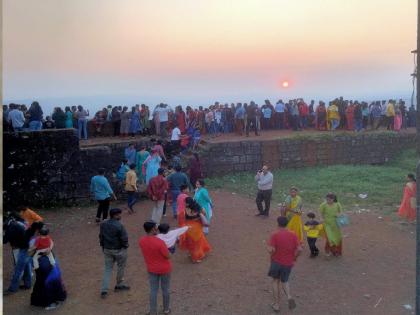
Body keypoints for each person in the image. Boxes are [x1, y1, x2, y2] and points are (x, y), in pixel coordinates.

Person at [267, 216, 301, 312]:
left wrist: (268, 249)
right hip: (288, 263)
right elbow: (299, 249)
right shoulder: (293, 234)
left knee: (275, 281)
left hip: (276, 262)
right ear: (287, 224)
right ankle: (289, 297)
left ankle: (277, 304)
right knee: (285, 281)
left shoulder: (275, 235)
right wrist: (295, 258)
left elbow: (271, 250)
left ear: (278, 223)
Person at [139, 221, 172, 315]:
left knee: (153, 290)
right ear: (153, 229)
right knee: (165, 289)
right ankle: (166, 309)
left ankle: (153, 311)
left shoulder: (141, 241)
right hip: (164, 268)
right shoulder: (160, 242)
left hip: (151, 269)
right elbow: (168, 256)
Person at [3, 215, 41, 294]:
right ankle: (28, 285)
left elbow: (5, 240)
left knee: (18, 270)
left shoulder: (11, 228)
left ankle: (12, 289)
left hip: (22, 250)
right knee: (27, 268)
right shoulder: (19, 225)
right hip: (26, 249)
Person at [99, 208, 130, 298]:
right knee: (121, 267)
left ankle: (104, 290)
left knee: (107, 269)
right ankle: (119, 284)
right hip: (118, 250)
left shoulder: (103, 223)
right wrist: (125, 247)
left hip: (107, 249)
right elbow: (124, 239)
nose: (120, 216)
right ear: (115, 215)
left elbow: (101, 236)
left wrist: (103, 246)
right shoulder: (120, 225)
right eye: (119, 214)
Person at [179, 198, 211, 263]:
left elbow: (181, 220)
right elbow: (204, 214)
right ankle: (195, 258)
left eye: (185, 202)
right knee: (197, 244)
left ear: (188, 203)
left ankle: (192, 255)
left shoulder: (184, 210)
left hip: (188, 229)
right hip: (197, 229)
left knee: (191, 243)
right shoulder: (199, 209)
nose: (184, 203)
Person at [319, 192, 343, 257]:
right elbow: (321, 213)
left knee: (337, 238)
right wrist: (321, 218)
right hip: (327, 224)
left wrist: (339, 215)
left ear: (333, 199)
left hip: (336, 224)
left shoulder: (337, 204)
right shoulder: (323, 205)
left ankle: (336, 251)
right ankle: (327, 251)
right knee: (330, 238)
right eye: (327, 199)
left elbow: (341, 213)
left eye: (330, 199)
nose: (328, 201)